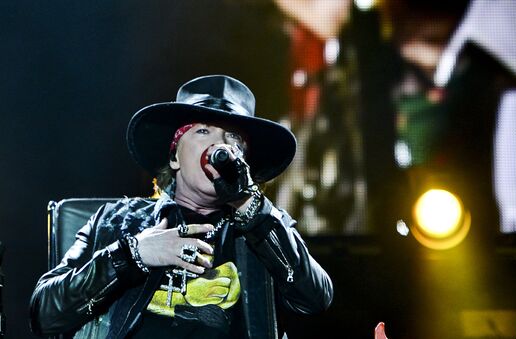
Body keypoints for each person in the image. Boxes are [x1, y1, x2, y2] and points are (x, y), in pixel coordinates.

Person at [29, 75, 333, 338]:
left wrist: (249, 205)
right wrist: (132, 255)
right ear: (175, 156)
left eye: (233, 138)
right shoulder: (114, 222)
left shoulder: (264, 230)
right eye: (203, 131)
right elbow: (44, 313)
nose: (220, 146)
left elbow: (315, 298)